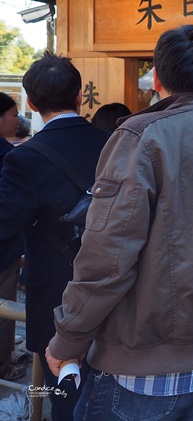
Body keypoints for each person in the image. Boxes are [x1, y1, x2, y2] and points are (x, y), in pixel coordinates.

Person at [45, 25, 193, 420]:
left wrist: (67, 338)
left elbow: (107, 258)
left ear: (158, 79)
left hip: (144, 368)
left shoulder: (141, 137)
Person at [0, 56, 110, 420]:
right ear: (80, 96)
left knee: (65, 395)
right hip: (115, 286)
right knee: (109, 392)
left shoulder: (24, 159)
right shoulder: (113, 144)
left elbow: (4, 225)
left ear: (30, 102)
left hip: (56, 297)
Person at [0, 92, 25, 382]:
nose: (17, 119)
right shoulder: (9, 157)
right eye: (12, 113)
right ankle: (3, 366)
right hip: (4, 247)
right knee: (4, 311)